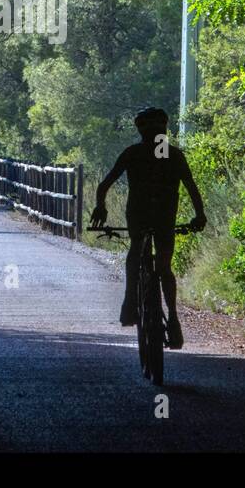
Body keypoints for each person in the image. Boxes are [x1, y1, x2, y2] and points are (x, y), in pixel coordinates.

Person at [91, 107, 207, 349]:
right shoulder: (173, 155)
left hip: (139, 214)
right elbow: (191, 187)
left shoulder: (133, 153)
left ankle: (130, 302)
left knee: (136, 249)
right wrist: (199, 215)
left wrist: (101, 208)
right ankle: (173, 319)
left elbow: (104, 185)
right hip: (164, 216)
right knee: (164, 268)